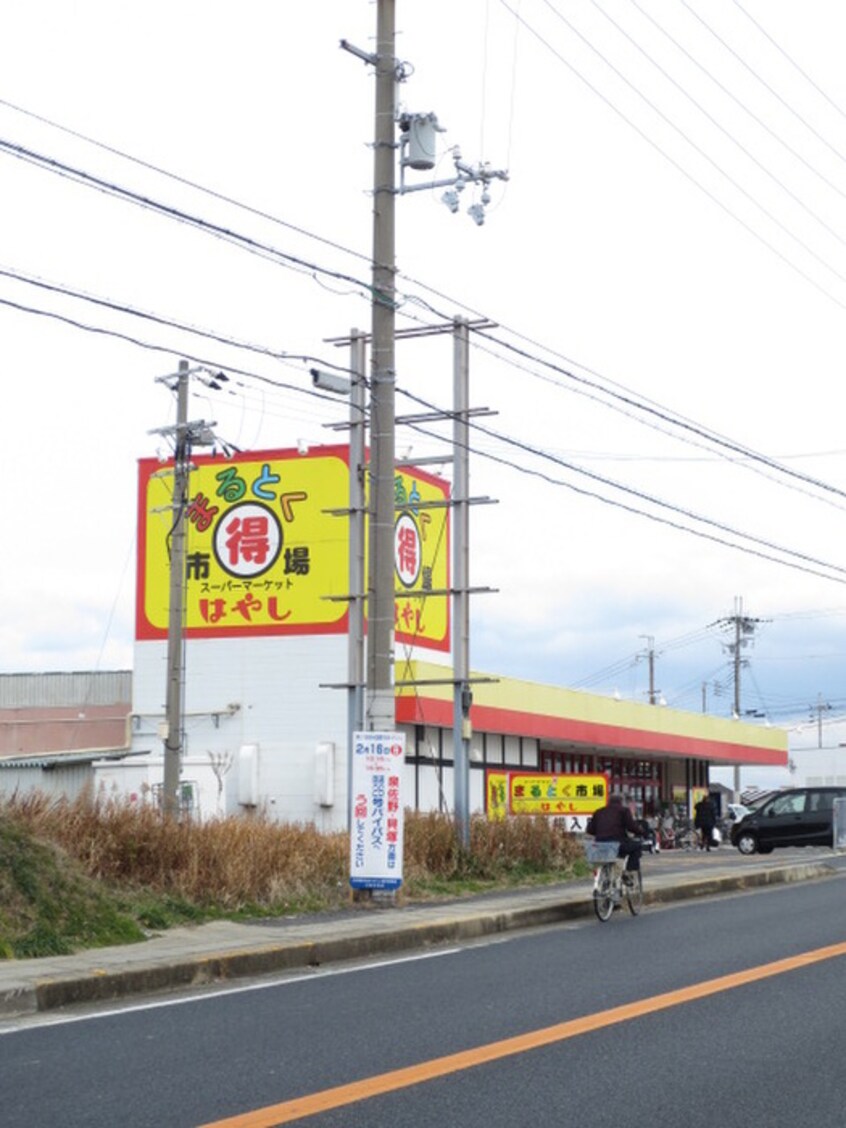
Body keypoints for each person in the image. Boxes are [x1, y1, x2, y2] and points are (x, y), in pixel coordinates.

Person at [586, 791, 643, 876]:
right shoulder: (624, 811)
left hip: (600, 844)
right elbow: (631, 827)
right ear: (621, 802)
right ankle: (629, 872)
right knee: (637, 846)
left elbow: (590, 830)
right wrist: (641, 832)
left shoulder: (599, 812)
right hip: (617, 844)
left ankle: (602, 881)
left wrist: (601, 833)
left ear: (608, 801)